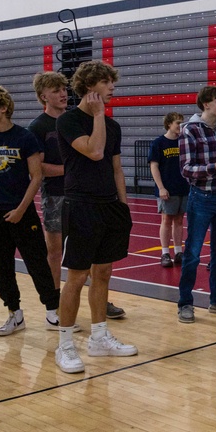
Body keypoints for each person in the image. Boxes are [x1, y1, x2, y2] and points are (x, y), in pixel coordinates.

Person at [54, 60, 137, 374]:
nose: (112, 87)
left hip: (108, 207)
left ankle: (99, 338)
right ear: (91, 87)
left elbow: (115, 168)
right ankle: (65, 346)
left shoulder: (113, 126)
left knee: (103, 273)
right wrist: (99, 115)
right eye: (107, 82)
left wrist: (124, 207)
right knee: (76, 278)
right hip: (81, 206)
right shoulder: (69, 121)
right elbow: (94, 151)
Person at [0, 85, 61, 335]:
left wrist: (20, 209)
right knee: (1, 267)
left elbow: (36, 177)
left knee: (37, 263)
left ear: (3, 107)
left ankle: (52, 312)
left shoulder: (25, 137)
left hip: (22, 212)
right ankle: (14, 315)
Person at [30, 72, 120, 324]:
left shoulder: (89, 121)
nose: (62, 94)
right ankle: (53, 301)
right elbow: (37, 167)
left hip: (86, 197)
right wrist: (74, 167)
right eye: (55, 90)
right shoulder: (40, 126)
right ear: (42, 97)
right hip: (57, 194)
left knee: (92, 256)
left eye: (63, 89)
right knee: (57, 251)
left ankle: (98, 300)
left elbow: (106, 160)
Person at [177, 85, 216, 323]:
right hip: (202, 197)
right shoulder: (190, 130)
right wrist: (215, 168)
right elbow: (186, 170)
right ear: (206, 104)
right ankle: (185, 303)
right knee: (192, 252)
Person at [149, 112, 189, 268]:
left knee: (179, 220)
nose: (180, 126)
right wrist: (161, 187)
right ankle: (165, 253)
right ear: (169, 124)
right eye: (178, 123)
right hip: (167, 188)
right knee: (166, 220)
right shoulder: (159, 143)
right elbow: (154, 166)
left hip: (183, 187)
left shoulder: (183, 142)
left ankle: (178, 251)